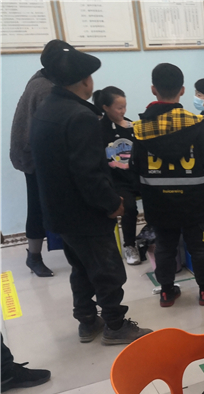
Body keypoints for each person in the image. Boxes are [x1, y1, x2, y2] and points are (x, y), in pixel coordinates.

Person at [30, 40, 152, 345]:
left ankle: (87, 320)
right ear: (85, 81)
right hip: (85, 213)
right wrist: (111, 204)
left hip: (59, 212)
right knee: (107, 270)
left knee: (81, 268)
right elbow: (88, 172)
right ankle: (115, 325)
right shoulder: (80, 117)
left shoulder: (46, 110)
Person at [131, 64, 204, 307]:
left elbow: (134, 167)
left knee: (164, 247)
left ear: (153, 90)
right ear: (182, 90)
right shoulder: (196, 124)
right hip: (194, 199)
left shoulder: (141, 129)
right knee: (200, 246)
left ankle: (166, 292)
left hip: (157, 201)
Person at [10, 68, 55, 277]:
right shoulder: (45, 87)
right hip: (36, 158)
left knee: (39, 205)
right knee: (38, 206)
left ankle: (36, 255)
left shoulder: (40, 81)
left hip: (32, 155)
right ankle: (34, 256)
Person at [93, 86, 141, 265]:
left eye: (125, 107)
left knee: (158, 197)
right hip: (117, 180)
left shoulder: (131, 126)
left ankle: (153, 237)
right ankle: (130, 245)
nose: (123, 111)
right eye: (119, 108)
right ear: (106, 108)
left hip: (136, 176)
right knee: (129, 207)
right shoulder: (99, 129)